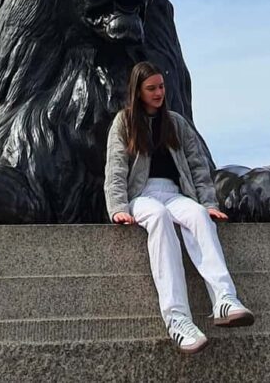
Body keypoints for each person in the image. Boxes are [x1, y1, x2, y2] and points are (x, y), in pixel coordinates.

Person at [104, 61, 254, 354]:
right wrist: (118, 207)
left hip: (176, 194)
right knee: (158, 220)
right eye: (152, 88)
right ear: (138, 91)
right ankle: (177, 319)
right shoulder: (124, 122)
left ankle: (224, 299)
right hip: (142, 196)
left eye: (161, 87)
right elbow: (116, 168)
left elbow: (198, 167)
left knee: (198, 216)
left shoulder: (176, 122)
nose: (159, 93)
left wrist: (208, 203)